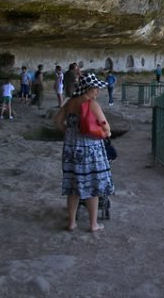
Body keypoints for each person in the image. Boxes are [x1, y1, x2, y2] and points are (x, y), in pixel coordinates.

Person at [54, 73, 114, 232]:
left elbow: (58, 122)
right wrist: (107, 134)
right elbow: (106, 126)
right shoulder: (91, 104)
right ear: (88, 88)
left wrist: (70, 133)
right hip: (90, 148)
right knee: (92, 186)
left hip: (71, 148)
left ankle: (72, 223)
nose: (97, 92)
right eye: (95, 88)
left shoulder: (69, 103)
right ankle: (93, 224)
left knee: (73, 185)